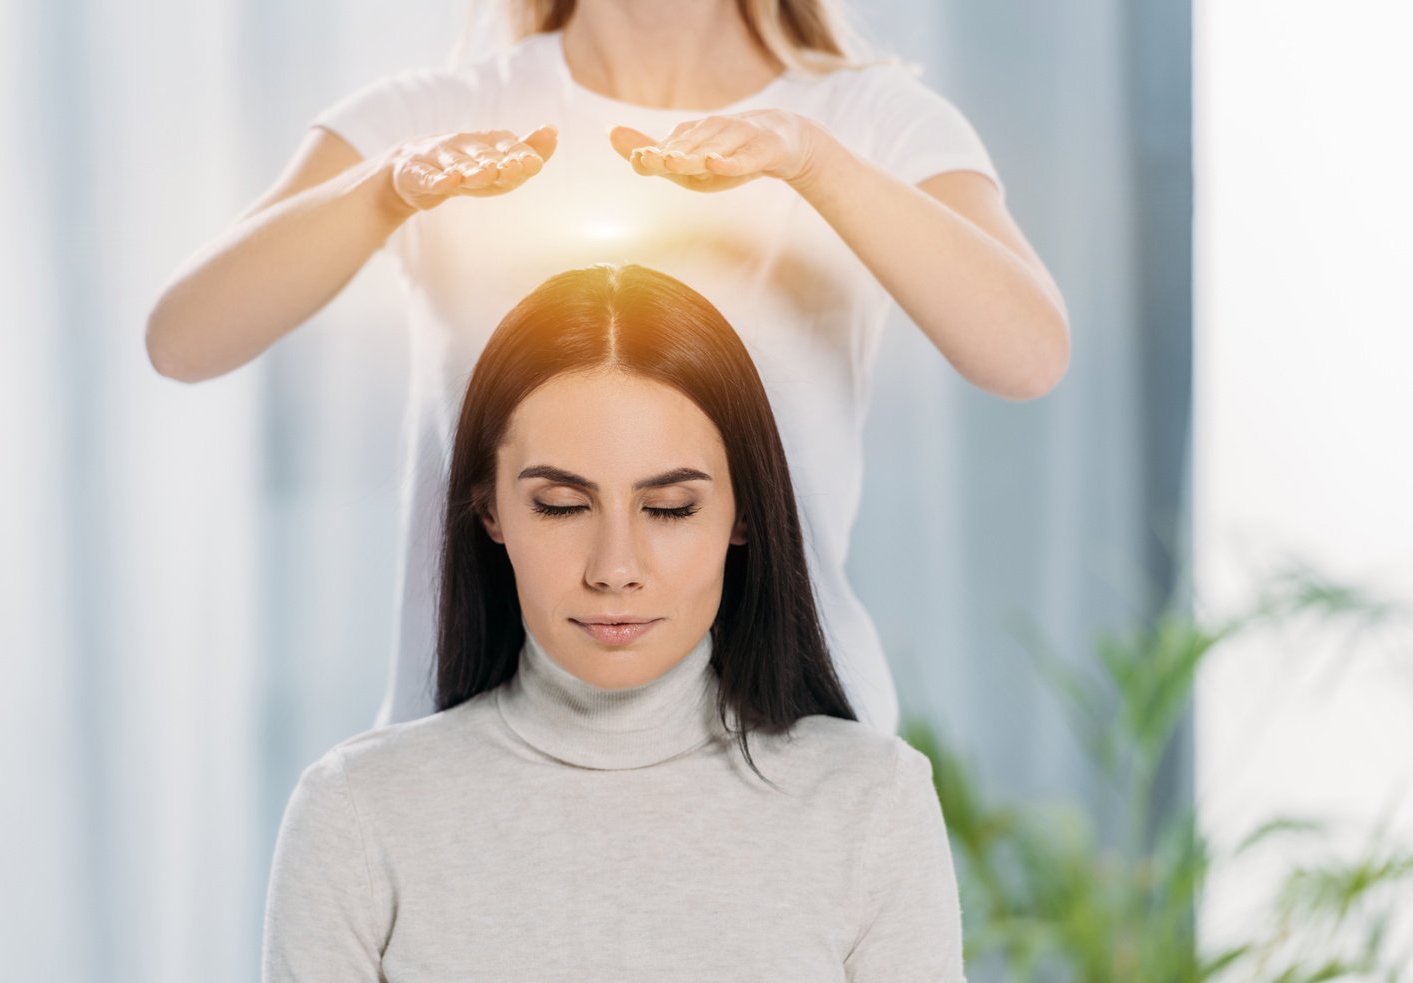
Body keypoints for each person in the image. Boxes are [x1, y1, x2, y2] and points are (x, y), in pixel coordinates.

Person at [146, 0, 1069, 736]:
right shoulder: (432, 119)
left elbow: (1026, 352)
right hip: (469, 764)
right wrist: (386, 190)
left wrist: (814, 167)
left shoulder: (869, 122)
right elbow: (185, 337)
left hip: (782, 759)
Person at [261, 263, 968, 981]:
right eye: (562, 505)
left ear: (744, 515)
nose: (614, 568)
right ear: (490, 511)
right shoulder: (358, 813)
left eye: (668, 509)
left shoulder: (873, 804)